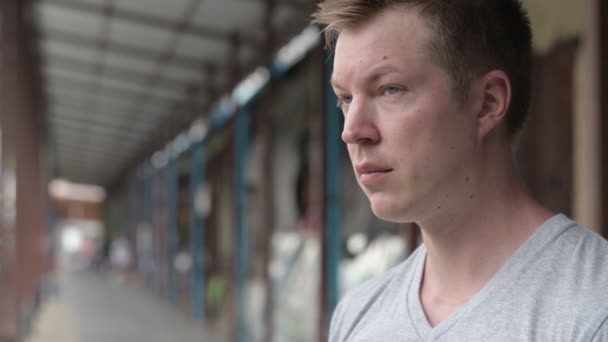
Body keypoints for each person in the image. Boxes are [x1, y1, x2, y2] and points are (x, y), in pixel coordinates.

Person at [311, 1, 608, 341]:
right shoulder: (357, 315)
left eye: (389, 89)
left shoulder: (593, 310)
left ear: (487, 103)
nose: (352, 130)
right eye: (345, 98)